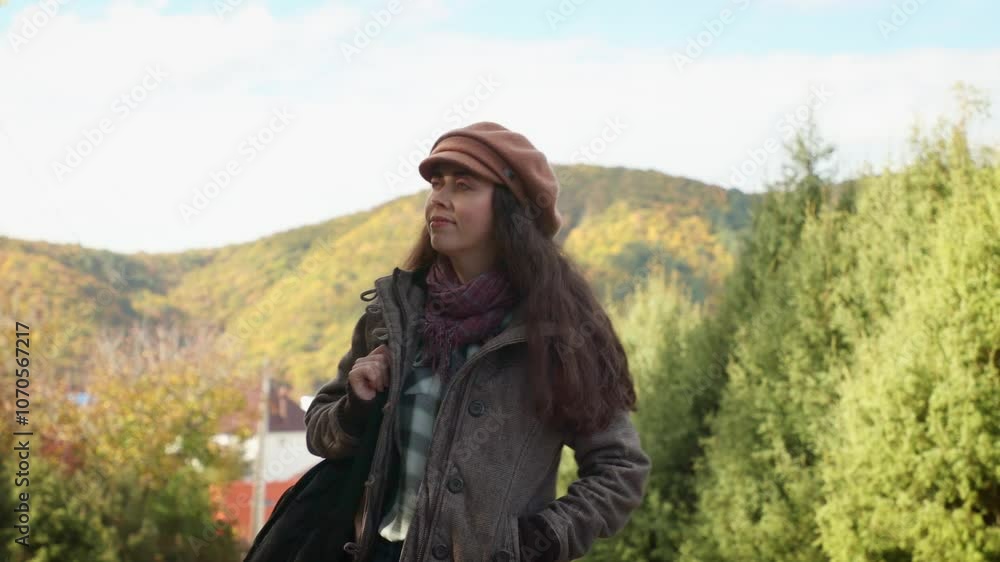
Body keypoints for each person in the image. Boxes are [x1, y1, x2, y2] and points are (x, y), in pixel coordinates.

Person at [305, 121, 651, 562]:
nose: (439, 198)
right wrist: (357, 404)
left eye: (464, 185)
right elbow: (321, 433)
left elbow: (620, 470)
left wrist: (534, 543)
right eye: (436, 183)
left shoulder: (558, 334)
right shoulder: (391, 316)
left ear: (510, 211)